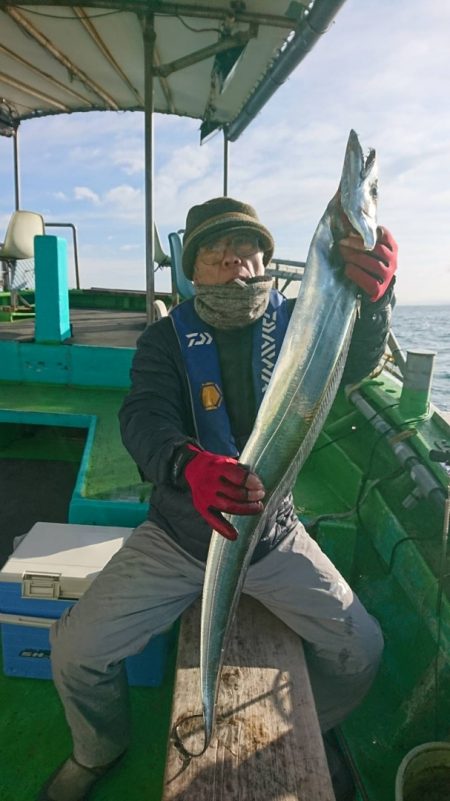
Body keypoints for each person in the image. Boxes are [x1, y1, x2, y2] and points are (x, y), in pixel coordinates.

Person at [38, 197, 397, 801]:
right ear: (192, 271)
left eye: (248, 248)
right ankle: (98, 749)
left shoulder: (299, 323)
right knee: (75, 649)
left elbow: (354, 362)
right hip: (178, 536)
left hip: (272, 536)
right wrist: (188, 465)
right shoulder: (163, 340)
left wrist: (376, 305)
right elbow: (144, 417)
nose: (235, 260)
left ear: (266, 260)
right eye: (214, 252)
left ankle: (313, 727)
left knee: (362, 647)